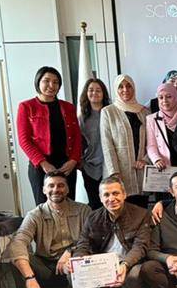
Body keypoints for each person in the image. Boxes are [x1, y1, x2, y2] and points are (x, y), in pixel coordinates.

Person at [7, 171, 91, 288]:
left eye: (61, 185)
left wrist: (70, 251)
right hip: (45, 266)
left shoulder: (83, 210)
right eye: (51, 186)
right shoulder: (35, 215)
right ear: (44, 189)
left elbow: (91, 238)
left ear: (67, 189)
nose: (56, 189)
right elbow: (19, 241)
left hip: (72, 266)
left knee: (82, 260)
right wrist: (29, 277)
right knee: (17, 258)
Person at [72, 176, 150, 288]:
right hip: (102, 264)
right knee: (73, 273)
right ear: (101, 198)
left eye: (115, 193)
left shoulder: (141, 214)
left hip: (130, 261)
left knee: (135, 274)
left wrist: (125, 264)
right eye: (106, 195)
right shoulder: (93, 217)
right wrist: (78, 260)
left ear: (124, 194)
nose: (111, 198)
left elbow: (140, 246)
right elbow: (83, 244)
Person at [16, 66, 81, 205]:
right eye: (46, 81)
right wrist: (43, 163)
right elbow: (24, 140)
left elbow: (77, 137)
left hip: (66, 166)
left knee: (69, 206)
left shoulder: (68, 107)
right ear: (38, 82)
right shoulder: (26, 106)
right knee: (43, 208)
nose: (51, 85)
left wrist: (73, 161)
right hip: (40, 167)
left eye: (55, 82)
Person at [100, 74, 150, 208]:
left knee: (141, 211)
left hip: (141, 171)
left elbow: (152, 141)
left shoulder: (144, 112)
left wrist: (145, 159)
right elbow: (107, 144)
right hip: (120, 173)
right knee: (121, 211)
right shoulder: (108, 112)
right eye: (121, 87)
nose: (125, 90)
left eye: (129, 86)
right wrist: (114, 173)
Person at [78, 78, 110, 210]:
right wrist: (81, 162)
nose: (94, 93)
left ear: (103, 93)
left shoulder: (111, 113)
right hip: (90, 168)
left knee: (111, 203)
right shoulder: (82, 118)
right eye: (91, 90)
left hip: (110, 166)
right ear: (86, 93)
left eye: (98, 90)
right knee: (95, 205)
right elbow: (78, 143)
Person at [145, 83, 177, 172]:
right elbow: (151, 145)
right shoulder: (151, 119)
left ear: (176, 97)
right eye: (161, 97)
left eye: (169, 97)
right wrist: (156, 159)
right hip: (166, 167)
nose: (164, 100)